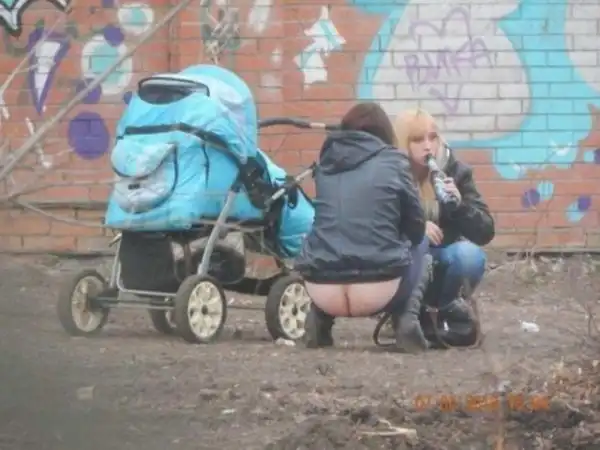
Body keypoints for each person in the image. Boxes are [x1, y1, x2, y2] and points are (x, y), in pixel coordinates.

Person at [294, 102, 431, 352]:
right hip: (378, 290)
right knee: (422, 243)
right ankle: (406, 320)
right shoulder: (394, 161)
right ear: (384, 132)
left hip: (321, 290)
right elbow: (416, 228)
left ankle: (319, 321)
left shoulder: (326, 164)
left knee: (324, 239)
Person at [393, 109, 495, 347]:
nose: (428, 146)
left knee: (469, 256)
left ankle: (442, 311)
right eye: (417, 140)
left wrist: (460, 206)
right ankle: (405, 312)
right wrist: (416, 227)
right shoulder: (390, 174)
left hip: (443, 257)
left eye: (433, 137)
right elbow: (378, 224)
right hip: (404, 259)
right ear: (402, 143)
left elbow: (485, 232)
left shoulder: (456, 171)